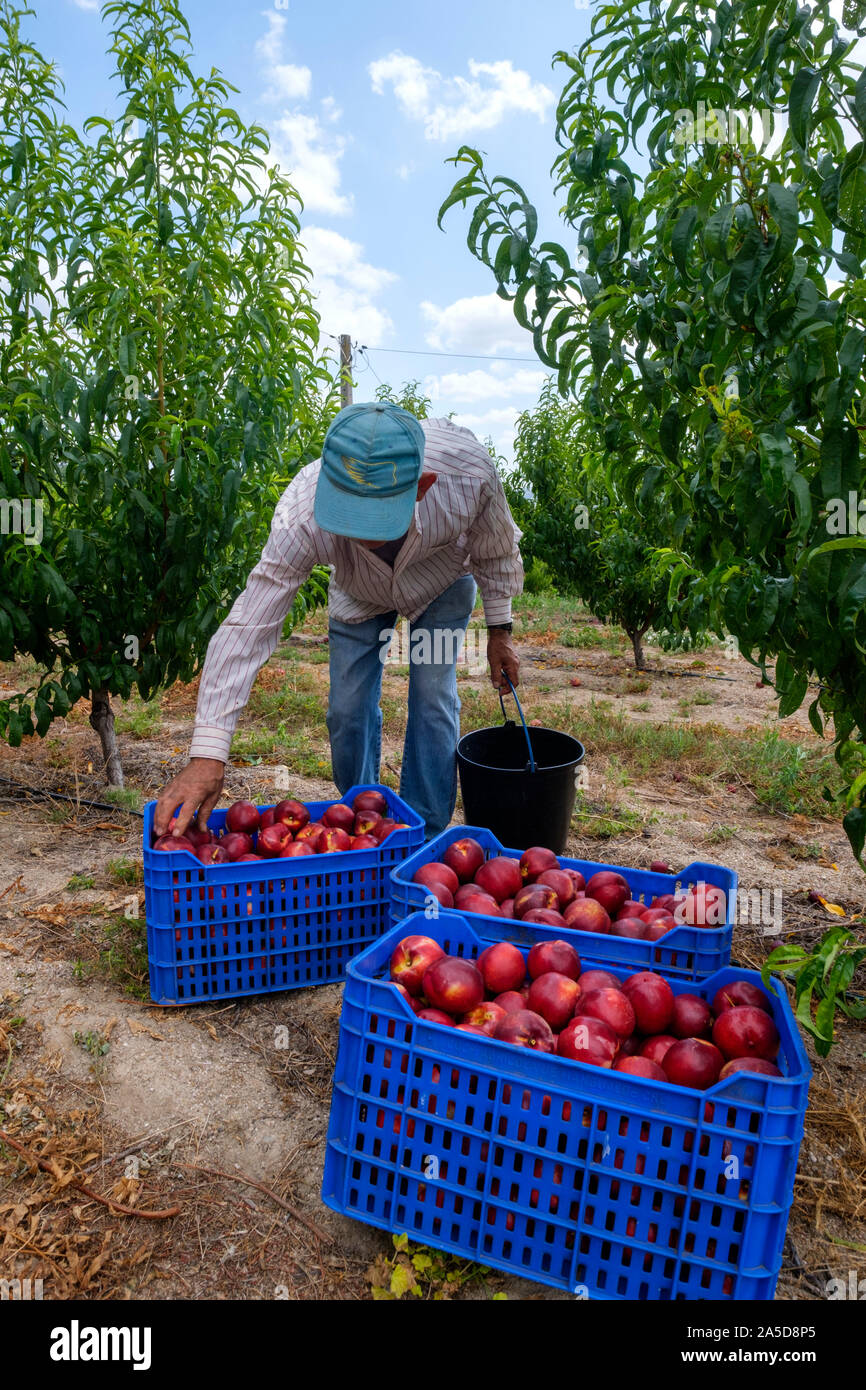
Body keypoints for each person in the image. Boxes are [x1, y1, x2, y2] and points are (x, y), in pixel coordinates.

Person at [154, 400, 523, 840]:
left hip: (440, 581)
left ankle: (421, 833)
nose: (358, 531)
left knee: (432, 698)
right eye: (345, 515)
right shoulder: (301, 512)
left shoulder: (467, 475)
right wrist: (208, 754)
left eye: (375, 518)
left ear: (422, 487)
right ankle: (360, 821)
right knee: (346, 710)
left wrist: (500, 632)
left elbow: (495, 550)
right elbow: (249, 627)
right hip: (357, 591)